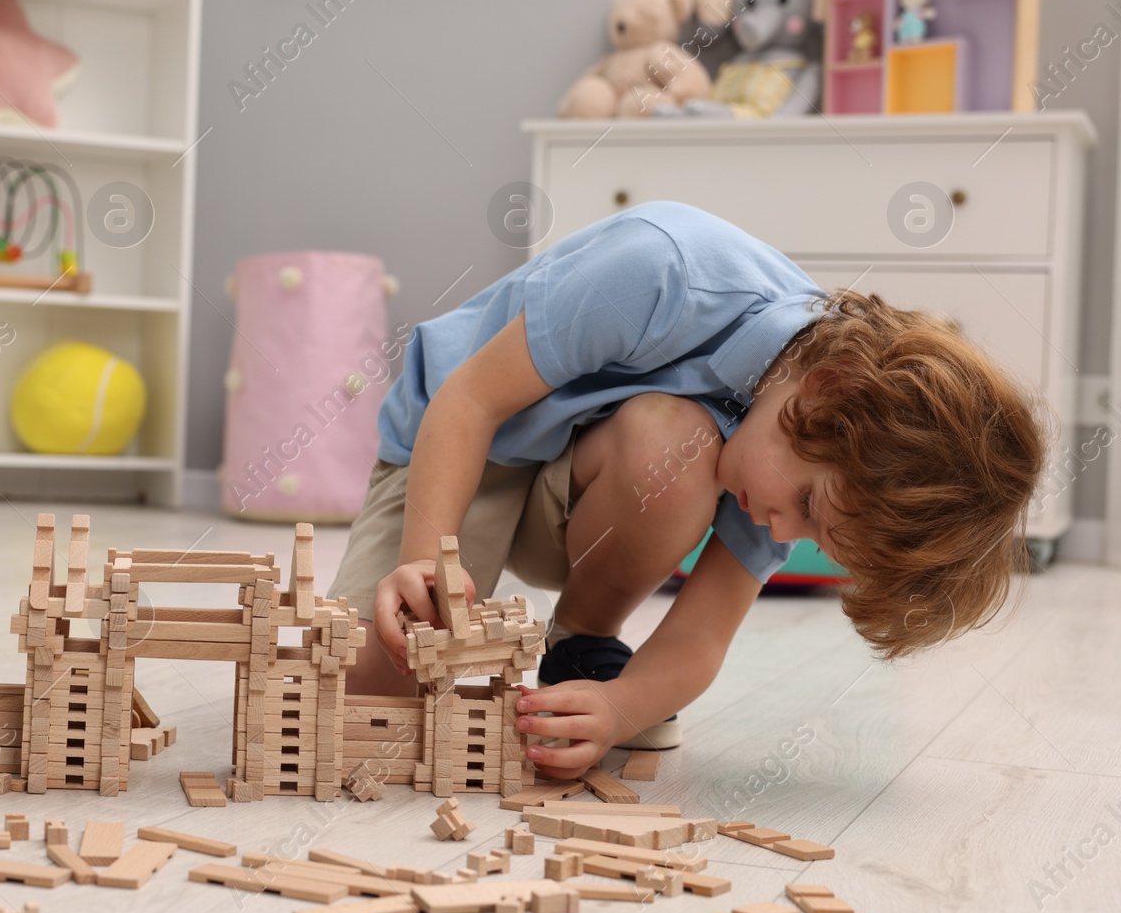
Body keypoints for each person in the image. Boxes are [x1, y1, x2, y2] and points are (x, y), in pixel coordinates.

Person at [330, 201, 1045, 779]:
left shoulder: (805, 449)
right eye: (808, 510)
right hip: (458, 451)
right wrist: (425, 560)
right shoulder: (665, 271)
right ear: (827, 392)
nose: (786, 533)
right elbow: (469, 403)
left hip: (582, 492)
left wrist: (618, 707)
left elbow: (703, 633)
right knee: (371, 697)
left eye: (816, 540)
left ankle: (581, 643)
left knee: (677, 444)